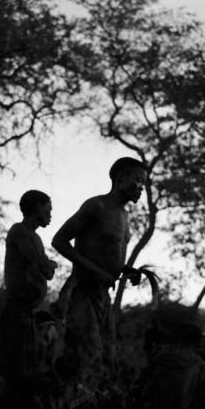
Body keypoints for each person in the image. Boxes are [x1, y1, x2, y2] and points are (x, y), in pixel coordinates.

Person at [51, 157, 146, 388]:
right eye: (137, 180)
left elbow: (107, 256)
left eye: (144, 183)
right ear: (120, 178)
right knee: (86, 357)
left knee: (107, 358)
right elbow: (59, 240)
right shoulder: (96, 206)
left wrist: (126, 270)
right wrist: (95, 271)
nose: (141, 188)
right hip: (81, 292)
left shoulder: (125, 217)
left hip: (103, 296)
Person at [0, 190, 57, 409]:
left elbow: (44, 267)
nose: (50, 213)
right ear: (36, 207)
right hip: (18, 310)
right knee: (19, 371)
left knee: (22, 370)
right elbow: (44, 267)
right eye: (47, 208)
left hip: (29, 311)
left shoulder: (35, 237)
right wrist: (47, 265)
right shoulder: (19, 232)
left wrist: (46, 266)